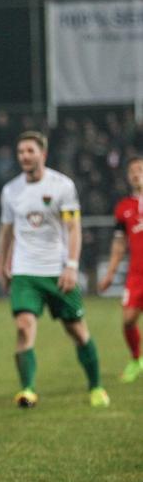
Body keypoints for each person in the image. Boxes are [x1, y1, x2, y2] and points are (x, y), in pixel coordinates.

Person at [0, 131, 108, 409]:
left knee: (78, 331)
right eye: (21, 151)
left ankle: (96, 386)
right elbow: (7, 231)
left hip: (57, 270)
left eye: (30, 151)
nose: (24, 156)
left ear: (42, 154)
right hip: (25, 271)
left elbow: (73, 229)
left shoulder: (62, 186)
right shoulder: (11, 191)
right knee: (24, 327)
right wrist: (3, 264)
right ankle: (27, 389)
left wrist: (71, 266)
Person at [98, 156, 143, 383]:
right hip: (136, 274)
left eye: (140, 169)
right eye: (132, 171)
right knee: (127, 320)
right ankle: (137, 360)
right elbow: (119, 243)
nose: (136, 174)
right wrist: (110, 273)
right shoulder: (124, 207)